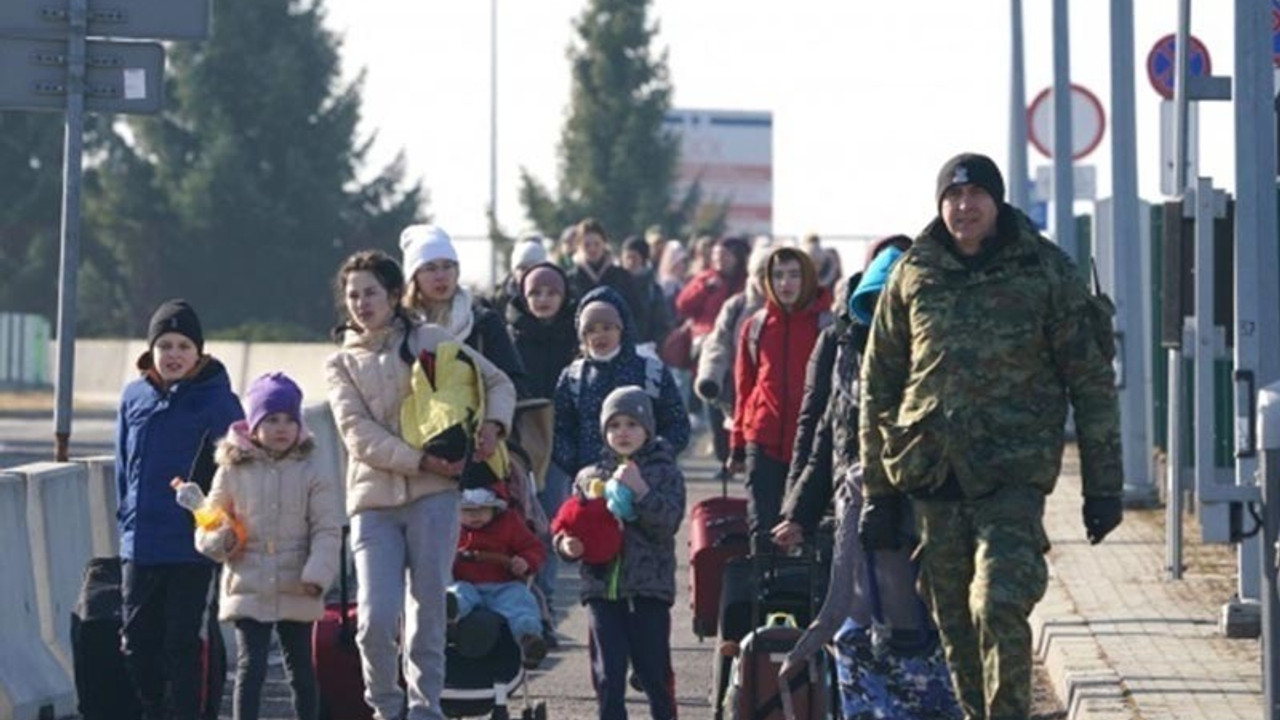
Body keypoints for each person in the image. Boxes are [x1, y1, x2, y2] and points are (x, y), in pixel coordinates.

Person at [858, 152, 1124, 720]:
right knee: (955, 624)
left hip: (1011, 478)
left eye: (976, 194)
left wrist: (1104, 487)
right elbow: (878, 385)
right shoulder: (913, 273)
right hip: (934, 474)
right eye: (953, 197)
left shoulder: (1046, 270)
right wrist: (879, 493)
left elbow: (1091, 380)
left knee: (998, 603)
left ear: (997, 202)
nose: (964, 206)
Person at [326, 249, 517, 720]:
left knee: (427, 611)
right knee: (373, 619)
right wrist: (422, 460)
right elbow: (358, 435)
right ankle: (386, 709)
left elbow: (498, 384)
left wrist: (493, 426)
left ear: (394, 294)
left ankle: (425, 708)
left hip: (435, 498)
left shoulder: (431, 338)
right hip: (373, 501)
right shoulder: (340, 364)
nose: (362, 303)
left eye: (371, 292)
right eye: (353, 295)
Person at [115, 298, 245, 720]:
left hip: (193, 546)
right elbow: (122, 464)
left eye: (183, 346)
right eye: (165, 345)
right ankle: (155, 710)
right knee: (136, 643)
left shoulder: (219, 402)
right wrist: (127, 517)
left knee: (183, 645)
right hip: (140, 544)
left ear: (199, 353)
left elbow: (240, 474)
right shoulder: (134, 397)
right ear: (151, 350)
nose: (173, 355)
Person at [196, 372, 343, 720]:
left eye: (290, 420)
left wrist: (318, 573)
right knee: (251, 667)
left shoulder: (312, 470)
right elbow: (209, 522)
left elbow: (327, 529)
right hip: (248, 579)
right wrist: (220, 540)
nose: (282, 428)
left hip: (299, 581)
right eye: (272, 419)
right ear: (253, 424)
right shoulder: (231, 470)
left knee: (301, 668)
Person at [553, 386, 686, 720]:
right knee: (608, 676)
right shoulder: (589, 476)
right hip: (601, 590)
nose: (623, 432)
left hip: (648, 590)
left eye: (631, 424)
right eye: (614, 425)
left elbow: (668, 522)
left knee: (654, 673)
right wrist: (566, 546)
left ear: (648, 429)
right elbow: (565, 523)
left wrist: (640, 492)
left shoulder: (663, 471)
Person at [772, 235, 913, 548]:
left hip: (917, 506)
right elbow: (818, 430)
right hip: (849, 495)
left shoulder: (928, 348)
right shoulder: (841, 342)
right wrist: (797, 513)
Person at [729, 246, 832, 537]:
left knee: (807, 530)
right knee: (762, 529)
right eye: (777, 276)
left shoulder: (826, 326)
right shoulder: (756, 326)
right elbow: (744, 387)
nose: (785, 284)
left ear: (808, 278)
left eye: (794, 275)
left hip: (812, 446)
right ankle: (763, 582)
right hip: (762, 441)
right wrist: (737, 442)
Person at [552, 286, 690, 480]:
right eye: (591, 330)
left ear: (622, 329)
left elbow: (677, 424)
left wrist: (654, 458)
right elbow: (560, 428)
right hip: (591, 482)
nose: (599, 335)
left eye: (607, 328)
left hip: (647, 481)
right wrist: (577, 465)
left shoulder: (651, 371)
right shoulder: (573, 377)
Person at [506, 261, 578, 625]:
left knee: (551, 522)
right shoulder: (509, 333)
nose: (544, 299)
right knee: (518, 525)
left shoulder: (576, 334)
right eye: (535, 292)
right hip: (519, 443)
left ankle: (544, 604)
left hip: (561, 444)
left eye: (552, 292)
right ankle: (520, 605)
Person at [401, 223, 528, 396]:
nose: (441, 276)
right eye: (430, 268)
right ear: (414, 277)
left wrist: (494, 419)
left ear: (457, 271)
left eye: (447, 266)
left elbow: (513, 382)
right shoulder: (402, 327)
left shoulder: (483, 323)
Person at [448, 486, 548, 667]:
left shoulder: (509, 523)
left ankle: (529, 639)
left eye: (482, 510)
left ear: (495, 508)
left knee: (521, 601)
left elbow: (534, 548)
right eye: (467, 511)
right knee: (458, 593)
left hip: (503, 584)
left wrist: (524, 561)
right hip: (465, 582)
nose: (474, 516)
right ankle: (449, 613)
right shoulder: (451, 528)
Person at [694, 245, 770, 479]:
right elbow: (718, 343)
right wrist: (710, 377)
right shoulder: (737, 306)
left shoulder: (794, 310)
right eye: (761, 275)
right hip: (740, 385)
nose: (766, 282)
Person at [564, 218, 649, 343]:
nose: (592, 249)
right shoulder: (571, 279)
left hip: (619, 342)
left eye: (597, 244)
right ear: (578, 246)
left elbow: (637, 313)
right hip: (581, 345)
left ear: (604, 243)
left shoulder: (622, 276)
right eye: (587, 245)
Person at [619, 234, 673, 352]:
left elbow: (662, 322)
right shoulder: (616, 283)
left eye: (634, 257)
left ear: (643, 259)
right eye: (627, 257)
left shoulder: (652, 288)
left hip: (646, 348)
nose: (630, 262)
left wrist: (654, 344)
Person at [490, 230, 549, 316]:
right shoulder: (499, 299)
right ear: (514, 271)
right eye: (522, 268)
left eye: (534, 268)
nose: (528, 273)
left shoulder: (554, 298)